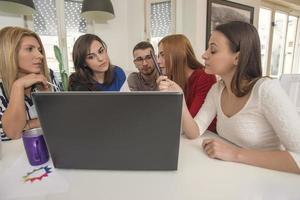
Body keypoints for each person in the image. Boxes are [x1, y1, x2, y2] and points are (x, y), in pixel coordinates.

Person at [157, 21, 300, 174]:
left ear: (237, 58)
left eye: (213, 50)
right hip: (234, 175)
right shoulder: (217, 89)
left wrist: (234, 154)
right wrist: (179, 96)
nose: (204, 54)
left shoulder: (266, 89)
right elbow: (194, 131)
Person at [0, 26, 61, 141]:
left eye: (39, 50)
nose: (40, 56)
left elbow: (61, 116)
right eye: (29, 49)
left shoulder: (49, 76)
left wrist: (27, 125)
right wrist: (18, 86)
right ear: (9, 53)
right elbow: (14, 133)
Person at [157, 34, 217, 132]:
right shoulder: (171, 78)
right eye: (158, 56)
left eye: (163, 55)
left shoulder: (205, 77)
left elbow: (190, 122)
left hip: (205, 136)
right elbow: (164, 117)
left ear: (179, 54)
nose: (158, 61)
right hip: (183, 135)